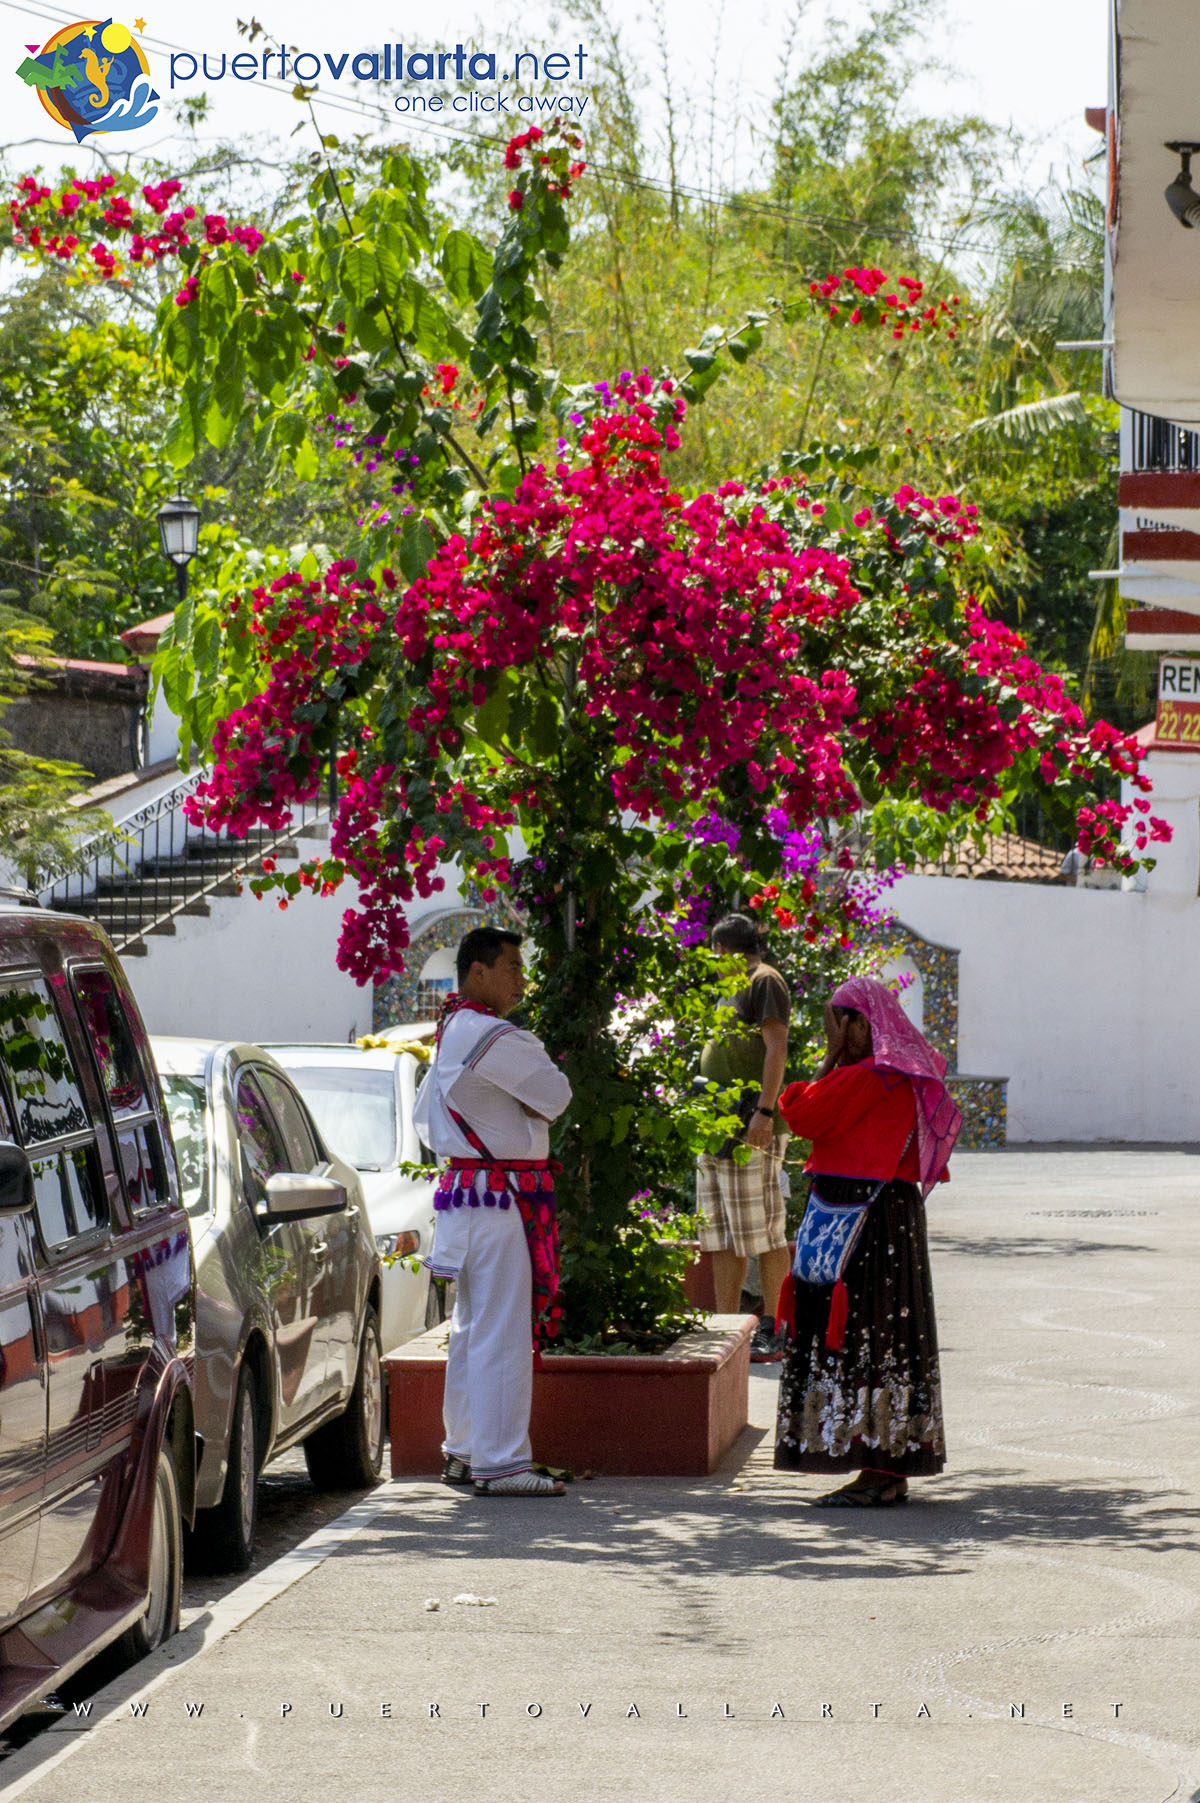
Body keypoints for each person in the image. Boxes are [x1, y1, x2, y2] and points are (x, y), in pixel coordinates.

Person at [773, 975, 961, 1505]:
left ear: (862, 1024)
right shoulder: (893, 1074)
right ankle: (886, 1463)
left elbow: (800, 1112)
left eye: (840, 1020)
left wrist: (828, 1058)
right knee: (883, 1340)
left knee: (868, 1337)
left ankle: (881, 1471)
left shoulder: (871, 1077)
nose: (833, 1029)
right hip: (884, 1219)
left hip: (866, 1221)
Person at [413, 926, 572, 1497]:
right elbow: (556, 1095)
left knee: (472, 1328)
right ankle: (502, 1462)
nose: (521, 979)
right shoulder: (488, 1032)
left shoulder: (453, 1028)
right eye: (512, 967)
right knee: (500, 1330)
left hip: (468, 1191)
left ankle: (465, 1450)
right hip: (499, 1194)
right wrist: (526, 1104)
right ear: (478, 972)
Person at [696, 913, 792, 1362]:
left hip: (751, 1127)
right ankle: (727, 1325)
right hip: (716, 1128)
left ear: (723, 950)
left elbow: (776, 1047)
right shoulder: (729, 987)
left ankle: (775, 1325)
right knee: (719, 1234)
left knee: (765, 1233)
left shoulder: (764, 980)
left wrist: (764, 1112)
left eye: (714, 956)